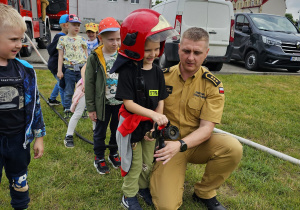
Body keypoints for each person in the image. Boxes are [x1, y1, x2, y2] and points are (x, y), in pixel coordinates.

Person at [149, 27, 243, 210]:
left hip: (195, 143)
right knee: (167, 206)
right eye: (186, 51)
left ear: (206, 53)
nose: (190, 57)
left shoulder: (213, 86)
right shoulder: (161, 77)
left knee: (232, 148)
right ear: (178, 49)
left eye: (197, 52)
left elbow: (207, 129)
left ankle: (204, 192)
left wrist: (181, 144)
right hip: (167, 146)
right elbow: (148, 109)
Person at [110, 9, 178, 210]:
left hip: (150, 126)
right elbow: (128, 103)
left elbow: (161, 98)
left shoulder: (157, 70)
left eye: (156, 49)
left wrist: (158, 119)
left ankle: (142, 187)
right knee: (134, 163)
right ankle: (128, 195)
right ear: (136, 46)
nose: (153, 54)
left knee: (148, 162)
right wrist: (154, 115)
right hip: (132, 127)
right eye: (148, 50)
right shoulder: (128, 71)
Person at [0, 4, 46, 209]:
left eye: (21, 39)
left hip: (19, 139)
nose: (19, 44)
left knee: (19, 180)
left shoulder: (26, 70)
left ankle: (20, 205)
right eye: (13, 40)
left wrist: (39, 136)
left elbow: (35, 105)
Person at [85, 17, 122, 175]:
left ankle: (113, 153)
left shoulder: (123, 55)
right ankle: (99, 157)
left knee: (117, 130)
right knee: (100, 131)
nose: (115, 43)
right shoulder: (94, 57)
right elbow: (90, 83)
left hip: (120, 103)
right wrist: (91, 108)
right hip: (103, 104)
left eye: (118, 39)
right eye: (111, 40)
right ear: (100, 38)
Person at [57, 14, 88, 119]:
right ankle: (67, 109)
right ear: (67, 25)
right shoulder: (62, 39)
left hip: (81, 69)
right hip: (69, 70)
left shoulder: (82, 39)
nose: (77, 27)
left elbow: (86, 54)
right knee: (68, 90)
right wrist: (59, 70)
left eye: (78, 25)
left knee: (83, 90)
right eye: (74, 25)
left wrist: (87, 68)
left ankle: (82, 109)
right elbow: (60, 56)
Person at [47, 14, 68, 107]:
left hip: (59, 65)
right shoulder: (60, 37)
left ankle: (52, 99)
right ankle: (66, 106)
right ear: (64, 25)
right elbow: (50, 49)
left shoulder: (66, 37)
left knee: (59, 82)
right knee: (62, 85)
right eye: (72, 24)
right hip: (55, 65)